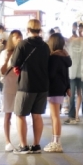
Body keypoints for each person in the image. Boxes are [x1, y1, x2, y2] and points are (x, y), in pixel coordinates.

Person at [11, 17, 52, 154]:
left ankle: (23, 146)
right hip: (43, 85)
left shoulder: (23, 44)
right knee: (37, 115)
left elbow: (14, 62)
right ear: (39, 30)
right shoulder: (46, 46)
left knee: (20, 114)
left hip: (27, 85)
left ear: (28, 30)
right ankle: (36, 145)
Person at [45, 32, 72, 152]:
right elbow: (66, 74)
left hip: (54, 88)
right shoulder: (64, 57)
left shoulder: (54, 58)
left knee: (55, 116)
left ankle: (56, 142)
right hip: (60, 88)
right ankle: (54, 140)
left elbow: (50, 74)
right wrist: (67, 87)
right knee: (54, 115)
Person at [0, 30, 23, 151]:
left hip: (22, 86)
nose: (19, 39)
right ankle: (7, 141)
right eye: (16, 37)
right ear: (11, 39)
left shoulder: (24, 52)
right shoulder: (5, 53)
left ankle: (21, 141)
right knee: (8, 114)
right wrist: (9, 58)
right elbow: (1, 71)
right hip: (9, 86)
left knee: (20, 114)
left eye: (20, 37)